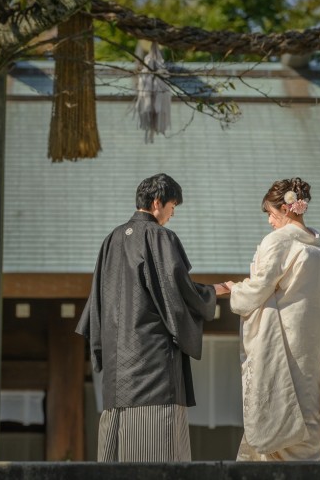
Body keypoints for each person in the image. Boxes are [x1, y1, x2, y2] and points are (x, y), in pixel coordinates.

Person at [76, 173, 229, 462]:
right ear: (157, 202)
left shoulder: (112, 239)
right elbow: (176, 291)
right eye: (173, 206)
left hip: (117, 367)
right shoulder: (159, 237)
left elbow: (97, 299)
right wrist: (213, 291)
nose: (173, 214)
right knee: (159, 457)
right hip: (153, 367)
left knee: (116, 458)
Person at [225, 177, 320, 461]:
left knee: (281, 407)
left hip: (282, 341)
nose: (269, 221)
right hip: (310, 342)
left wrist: (235, 290)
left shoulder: (278, 241)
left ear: (287, 209)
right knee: (307, 406)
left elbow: (258, 289)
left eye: (271, 213)